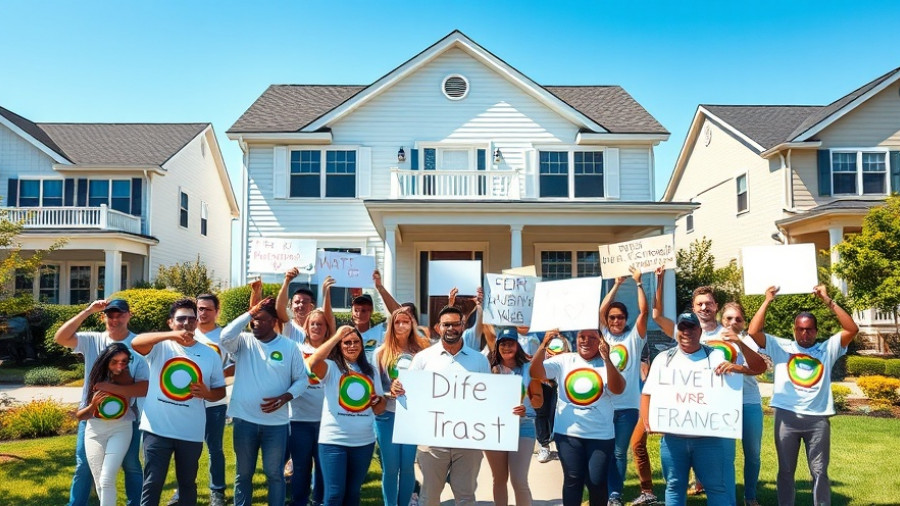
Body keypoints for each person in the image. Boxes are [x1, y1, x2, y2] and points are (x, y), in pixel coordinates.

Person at [653, 268, 767, 504]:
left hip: (744, 400)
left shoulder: (732, 333)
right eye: (700, 304)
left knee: (751, 454)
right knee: (725, 457)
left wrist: (737, 367)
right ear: (694, 309)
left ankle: (749, 496)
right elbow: (656, 315)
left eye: (709, 304)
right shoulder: (687, 333)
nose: (704, 308)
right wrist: (660, 280)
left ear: (716, 306)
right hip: (715, 407)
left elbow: (758, 367)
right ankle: (721, 494)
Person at [747, 285, 858, 506]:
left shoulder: (827, 349)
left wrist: (827, 300)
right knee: (786, 471)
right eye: (800, 329)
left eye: (809, 329)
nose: (804, 333)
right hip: (786, 418)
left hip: (818, 419)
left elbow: (851, 329)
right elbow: (753, 332)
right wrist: (767, 300)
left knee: (819, 472)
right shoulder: (782, 347)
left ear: (816, 331)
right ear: (794, 330)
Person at [390, 305, 491, 506]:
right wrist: (397, 387)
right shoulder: (423, 358)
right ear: (438, 328)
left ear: (463, 326)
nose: (451, 328)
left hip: (468, 441)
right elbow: (407, 390)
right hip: (432, 440)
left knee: (466, 497)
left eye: (455, 324)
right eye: (446, 325)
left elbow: (488, 398)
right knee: (429, 497)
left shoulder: (480, 360)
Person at [132, 298, 227, 506]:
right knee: (153, 483)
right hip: (156, 428)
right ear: (170, 322)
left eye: (191, 319)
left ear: (196, 322)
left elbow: (220, 391)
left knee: (187, 485)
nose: (186, 323)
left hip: (190, 431)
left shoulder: (209, 354)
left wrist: (207, 393)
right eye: (181, 319)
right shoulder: (160, 347)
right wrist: (172, 335)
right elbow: (136, 342)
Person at [640, 311, 740, 506]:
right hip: (673, 440)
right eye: (682, 327)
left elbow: (732, 384)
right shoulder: (663, 358)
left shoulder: (716, 356)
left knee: (716, 487)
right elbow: (648, 392)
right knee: (674, 488)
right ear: (677, 330)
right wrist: (647, 419)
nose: (687, 332)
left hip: (708, 441)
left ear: (699, 330)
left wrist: (735, 369)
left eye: (691, 327)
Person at [55, 298, 147, 506]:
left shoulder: (139, 345)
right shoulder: (92, 340)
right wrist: (87, 310)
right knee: (84, 466)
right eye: (110, 315)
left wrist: (113, 389)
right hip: (91, 415)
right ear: (103, 317)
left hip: (128, 418)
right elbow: (60, 338)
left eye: (120, 314)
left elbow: (144, 387)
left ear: (129, 315)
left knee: (132, 464)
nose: (115, 319)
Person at [219, 297, 309, 506]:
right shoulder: (243, 341)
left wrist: (285, 396)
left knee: (275, 474)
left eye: (260, 319)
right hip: (243, 421)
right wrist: (250, 312)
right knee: (243, 473)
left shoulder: (289, 347)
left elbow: (302, 380)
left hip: (276, 425)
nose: (254, 323)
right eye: (253, 319)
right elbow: (224, 337)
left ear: (273, 322)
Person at [530, 328, 625, 506]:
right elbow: (536, 373)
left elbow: (618, 389)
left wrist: (607, 360)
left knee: (596, 481)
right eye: (582, 337)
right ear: (576, 340)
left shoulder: (607, 363)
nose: (586, 341)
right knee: (573, 479)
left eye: (592, 338)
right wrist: (543, 345)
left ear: (601, 342)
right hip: (568, 433)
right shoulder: (565, 360)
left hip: (600, 434)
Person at [307, 325, 386, 506]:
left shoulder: (371, 371)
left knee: (352, 494)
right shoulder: (331, 367)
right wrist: (336, 336)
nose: (352, 346)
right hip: (333, 441)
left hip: (363, 442)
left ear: (361, 344)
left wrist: (376, 401)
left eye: (356, 342)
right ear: (339, 346)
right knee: (334, 495)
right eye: (346, 343)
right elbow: (311, 363)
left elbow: (380, 409)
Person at [168, 293, 234, 506]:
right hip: (186, 403)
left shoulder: (224, 337)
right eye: (199, 309)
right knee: (184, 448)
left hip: (213, 403)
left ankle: (217, 492)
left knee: (214, 448)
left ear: (217, 311)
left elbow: (235, 363)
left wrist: (216, 379)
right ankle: (181, 491)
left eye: (207, 309)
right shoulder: (185, 333)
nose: (202, 313)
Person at [597, 266, 648, 506]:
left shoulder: (634, 339)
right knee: (604, 450)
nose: (616, 320)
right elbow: (601, 310)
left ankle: (614, 495)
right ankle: (604, 489)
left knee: (618, 451)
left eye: (620, 317)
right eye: (612, 317)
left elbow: (644, 312)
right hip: (604, 404)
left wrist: (638, 283)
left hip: (627, 406)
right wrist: (616, 284)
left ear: (626, 320)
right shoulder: (605, 336)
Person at [76, 343, 149, 506]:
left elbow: (140, 390)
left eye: (124, 361)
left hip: (121, 429)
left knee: (106, 478)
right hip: (94, 431)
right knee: (100, 481)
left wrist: (108, 386)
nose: (120, 365)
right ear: (106, 360)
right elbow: (81, 415)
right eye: (115, 361)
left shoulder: (127, 378)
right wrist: (93, 405)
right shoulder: (96, 378)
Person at [372, 306, 430, 506]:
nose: (401, 325)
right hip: (387, 416)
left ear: (412, 324)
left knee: (407, 467)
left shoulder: (422, 352)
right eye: (397, 322)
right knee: (390, 468)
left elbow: (429, 382)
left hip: (411, 418)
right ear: (391, 325)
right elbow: (376, 390)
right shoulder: (380, 353)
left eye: (406, 321)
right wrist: (390, 393)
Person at [482, 326, 543, 506]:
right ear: (497, 346)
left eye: (511, 343)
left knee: (518, 479)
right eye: (503, 344)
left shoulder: (528, 369)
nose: (506, 347)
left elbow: (539, 401)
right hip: (495, 429)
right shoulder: (488, 368)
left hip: (523, 426)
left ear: (517, 346)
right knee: (499, 479)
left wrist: (526, 407)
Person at [287, 307, 335, 506]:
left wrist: (326, 292)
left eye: (320, 324)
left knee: (323, 467)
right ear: (306, 327)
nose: (316, 327)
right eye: (312, 323)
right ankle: (299, 501)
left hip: (326, 420)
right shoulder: (295, 348)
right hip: (299, 419)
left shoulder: (333, 352)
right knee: (301, 466)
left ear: (326, 329)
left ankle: (319, 502)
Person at [534, 331, 571, 464]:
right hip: (542, 382)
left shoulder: (568, 338)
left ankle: (559, 444)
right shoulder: (540, 336)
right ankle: (544, 446)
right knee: (541, 413)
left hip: (559, 383)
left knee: (556, 414)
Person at [627, 342, 657, 505]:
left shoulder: (642, 361)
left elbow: (646, 378)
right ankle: (612, 492)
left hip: (642, 407)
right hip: (620, 407)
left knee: (637, 444)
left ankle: (647, 491)